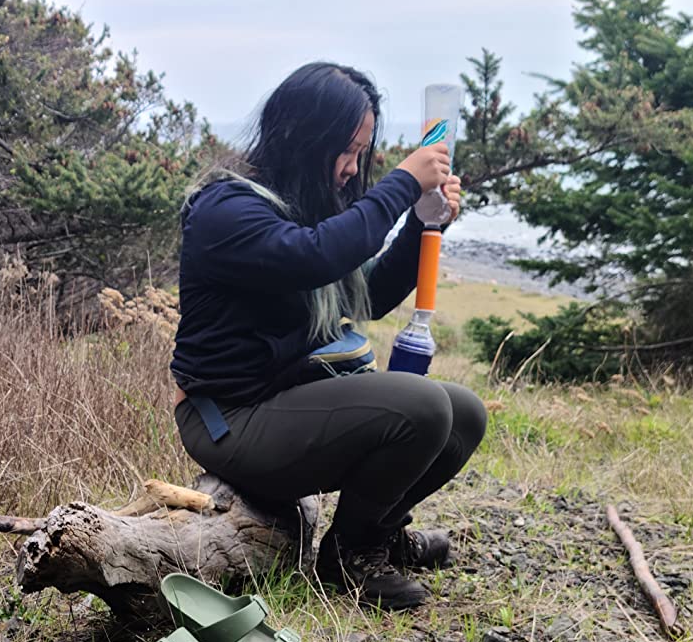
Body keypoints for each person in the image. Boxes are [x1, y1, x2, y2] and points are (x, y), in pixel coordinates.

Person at [171, 62, 487, 610]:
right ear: (302, 137)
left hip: (286, 399)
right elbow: (318, 256)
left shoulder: (300, 208)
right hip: (228, 419)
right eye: (348, 151)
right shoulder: (227, 210)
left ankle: (378, 532)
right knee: (424, 406)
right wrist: (405, 181)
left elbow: (361, 294)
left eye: (363, 153)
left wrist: (421, 225)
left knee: (464, 412)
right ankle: (349, 557)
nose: (352, 167)